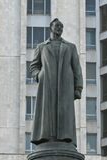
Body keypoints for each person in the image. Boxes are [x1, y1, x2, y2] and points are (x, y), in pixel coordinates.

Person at [29, 18, 83, 146]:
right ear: (51, 27)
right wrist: (39, 75)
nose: (59, 28)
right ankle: (45, 137)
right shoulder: (41, 47)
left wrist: (78, 88)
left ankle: (65, 137)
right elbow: (34, 66)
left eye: (61, 26)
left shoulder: (70, 47)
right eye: (57, 26)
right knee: (47, 111)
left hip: (65, 85)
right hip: (47, 84)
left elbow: (77, 68)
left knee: (64, 111)